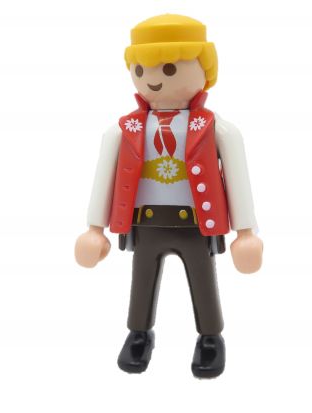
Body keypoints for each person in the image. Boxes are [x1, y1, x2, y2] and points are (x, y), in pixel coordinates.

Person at [75, 14, 263, 378]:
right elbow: (104, 174)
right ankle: (138, 334)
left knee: (203, 280)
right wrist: (94, 227)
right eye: (141, 69)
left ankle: (210, 337)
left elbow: (237, 175)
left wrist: (246, 231)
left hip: (195, 223)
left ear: (205, 68)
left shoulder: (214, 127)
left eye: (169, 69)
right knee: (141, 280)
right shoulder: (125, 128)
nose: (154, 79)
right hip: (145, 223)